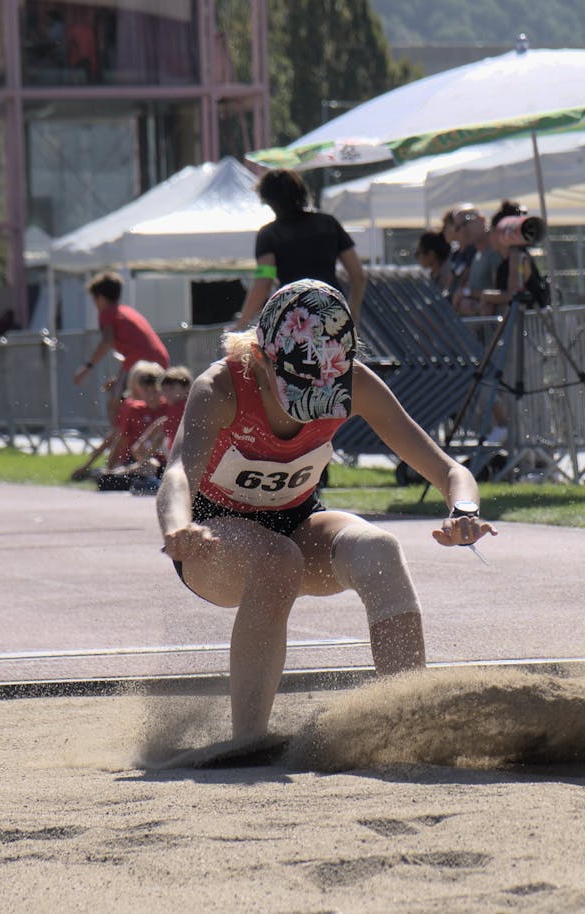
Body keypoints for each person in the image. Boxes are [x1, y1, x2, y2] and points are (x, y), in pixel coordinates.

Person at [159, 279, 498, 741]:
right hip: (213, 536)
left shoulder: (355, 381)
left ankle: (412, 720)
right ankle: (249, 739)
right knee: (277, 559)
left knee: (378, 548)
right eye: (298, 388)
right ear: (260, 356)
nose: (308, 410)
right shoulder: (220, 386)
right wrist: (177, 527)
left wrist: (463, 511)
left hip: (297, 523)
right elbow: (178, 472)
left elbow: (448, 471)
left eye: (324, 387)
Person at [235, 168, 366, 327]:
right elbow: (358, 274)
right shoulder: (328, 224)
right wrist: (353, 313)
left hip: (293, 318)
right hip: (333, 313)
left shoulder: (269, 235)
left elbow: (264, 283)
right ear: (301, 192)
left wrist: (241, 324)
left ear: (268, 200)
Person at [73, 271, 171, 424]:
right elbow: (135, 348)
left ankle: (121, 441)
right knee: (151, 403)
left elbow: (107, 341)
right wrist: (119, 378)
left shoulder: (107, 313)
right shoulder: (127, 311)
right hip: (160, 360)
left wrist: (88, 367)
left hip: (139, 364)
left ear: (100, 298)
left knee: (116, 404)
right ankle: (150, 439)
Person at [70, 360, 172, 484]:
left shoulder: (170, 408)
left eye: (154, 390)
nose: (150, 394)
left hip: (161, 461)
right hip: (135, 461)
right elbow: (118, 438)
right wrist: (105, 467)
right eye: (145, 389)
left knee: (152, 467)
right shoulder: (133, 408)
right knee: (109, 478)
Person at [414, 231, 454, 295]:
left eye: (418, 253)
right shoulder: (433, 275)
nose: (416, 257)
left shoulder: (449, 274)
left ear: (431, 254)